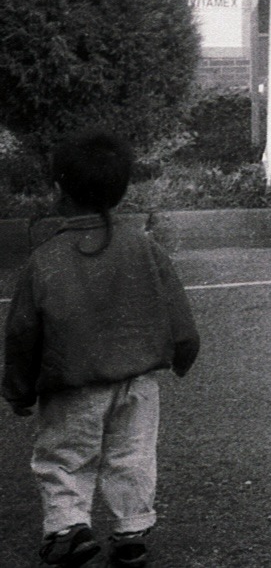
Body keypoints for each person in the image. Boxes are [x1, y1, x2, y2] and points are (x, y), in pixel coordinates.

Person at [3, 132, 201, 568]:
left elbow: (22, 332)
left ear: (59, 190)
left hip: (73, 385)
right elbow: (176, 310)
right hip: (139, 382)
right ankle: (131, 532)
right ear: (122, 190)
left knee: (64, 458)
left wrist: (19, 389)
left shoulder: (46, 259)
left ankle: (67, 528)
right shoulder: (144, 247)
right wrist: (183, 351)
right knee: (132, 456)